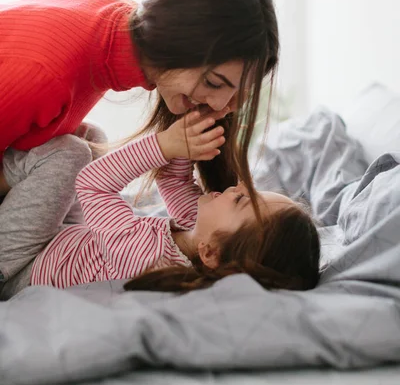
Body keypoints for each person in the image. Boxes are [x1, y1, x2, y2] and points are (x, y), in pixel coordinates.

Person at [0, 0, 280, 209]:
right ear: (175, 42)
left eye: (238, 94)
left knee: (88, 144)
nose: (220, 105)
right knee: (72, 157)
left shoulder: (120, 21)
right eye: (215, 83)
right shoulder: (45, 73)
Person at [0, 109, 320, 300]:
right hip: (67, 242)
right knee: (92, 136)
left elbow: (93, 183)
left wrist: (162, 145)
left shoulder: (146, 259)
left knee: (71, 154)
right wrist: (188, 139)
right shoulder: (198, 241)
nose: (236, 187)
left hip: (20, 264)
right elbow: (173, 181)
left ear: (212, 253)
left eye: (240, 201)